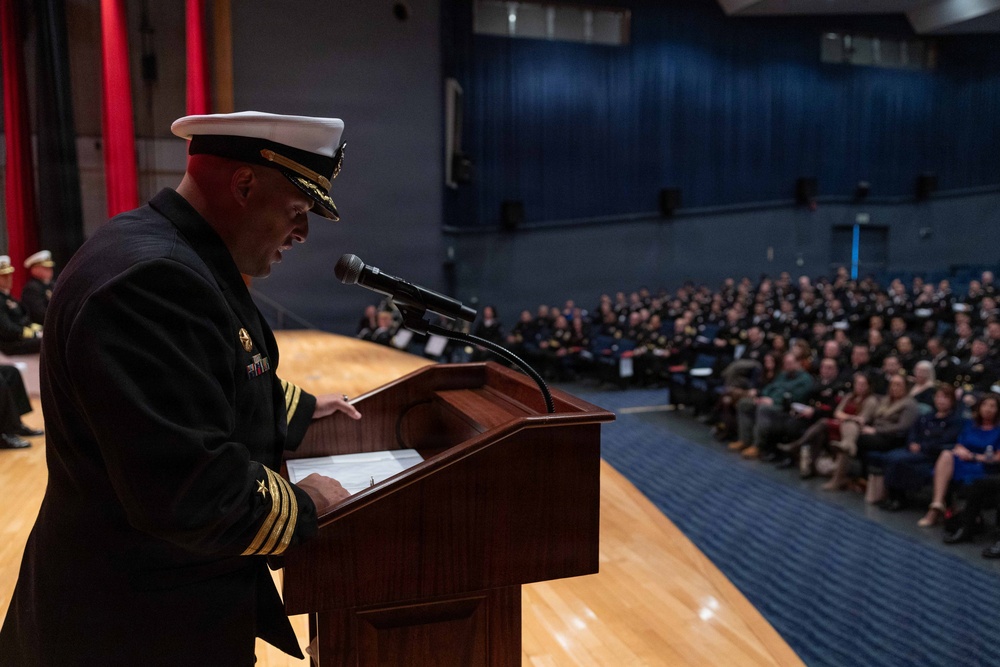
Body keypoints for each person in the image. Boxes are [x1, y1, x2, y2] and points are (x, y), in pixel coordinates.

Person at [0, 111, 363, 665]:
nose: (303, 232)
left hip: (141, 605)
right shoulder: (153, 280)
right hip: (133, 627)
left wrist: (303, 410)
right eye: (297, 210)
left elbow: (208, 373)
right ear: (243, 184)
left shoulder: (161, 248)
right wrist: (307, 503)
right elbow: (191, 492)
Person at [874, 386, 964, 511]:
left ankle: (899, 499)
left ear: (952, 401)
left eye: (945, 398)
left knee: (898, 460)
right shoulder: (928, 416)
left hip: (932, 454)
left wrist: (922, 446)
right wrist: (912, 442)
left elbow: (947, 440)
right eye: (938, 397)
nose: (941, 401)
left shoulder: (955, 421)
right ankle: (893, 495)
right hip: (915, 449)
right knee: (890, 456)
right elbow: (913, 431)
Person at [824, 374, 919, 491]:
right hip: (874, 431)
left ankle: (838, 477)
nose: (894, 387)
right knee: (851, 425)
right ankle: (844, 460)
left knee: (854, 440)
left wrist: (876, 430)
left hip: (890, 438)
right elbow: (874, 417)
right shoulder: (886, 400)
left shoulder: (909, 404)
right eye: (893, 384)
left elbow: (902, 427)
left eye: (898, 385)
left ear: (905, 387)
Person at [918, 393, 1000, 527]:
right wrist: (961, 451)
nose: (987, 409)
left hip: (984, 465)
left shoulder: (998, 430)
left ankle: (943, 511)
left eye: (992, 406)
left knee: (949, 466)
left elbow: (997, 457)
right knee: (946, 455)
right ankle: (937, 504)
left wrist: (973, 456)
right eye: (985, 405)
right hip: (964, 460)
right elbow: (959, 445)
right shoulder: (971, 424)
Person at [0, 256, 42, 355]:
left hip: (20, 336)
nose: (9, 278)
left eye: (9, 274)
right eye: (4, 276)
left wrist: (36, 328)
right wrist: (32, 333)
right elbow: (7, 329)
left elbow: (23, 317)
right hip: (10, 342)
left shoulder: (8, 297)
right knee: (46, 342)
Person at [20, 250, 56, 325]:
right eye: (45, 268)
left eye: (50, 267)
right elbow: (40, 314)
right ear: (34, 270)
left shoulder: (53, 285)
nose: (50, 270)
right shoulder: (31, 288)